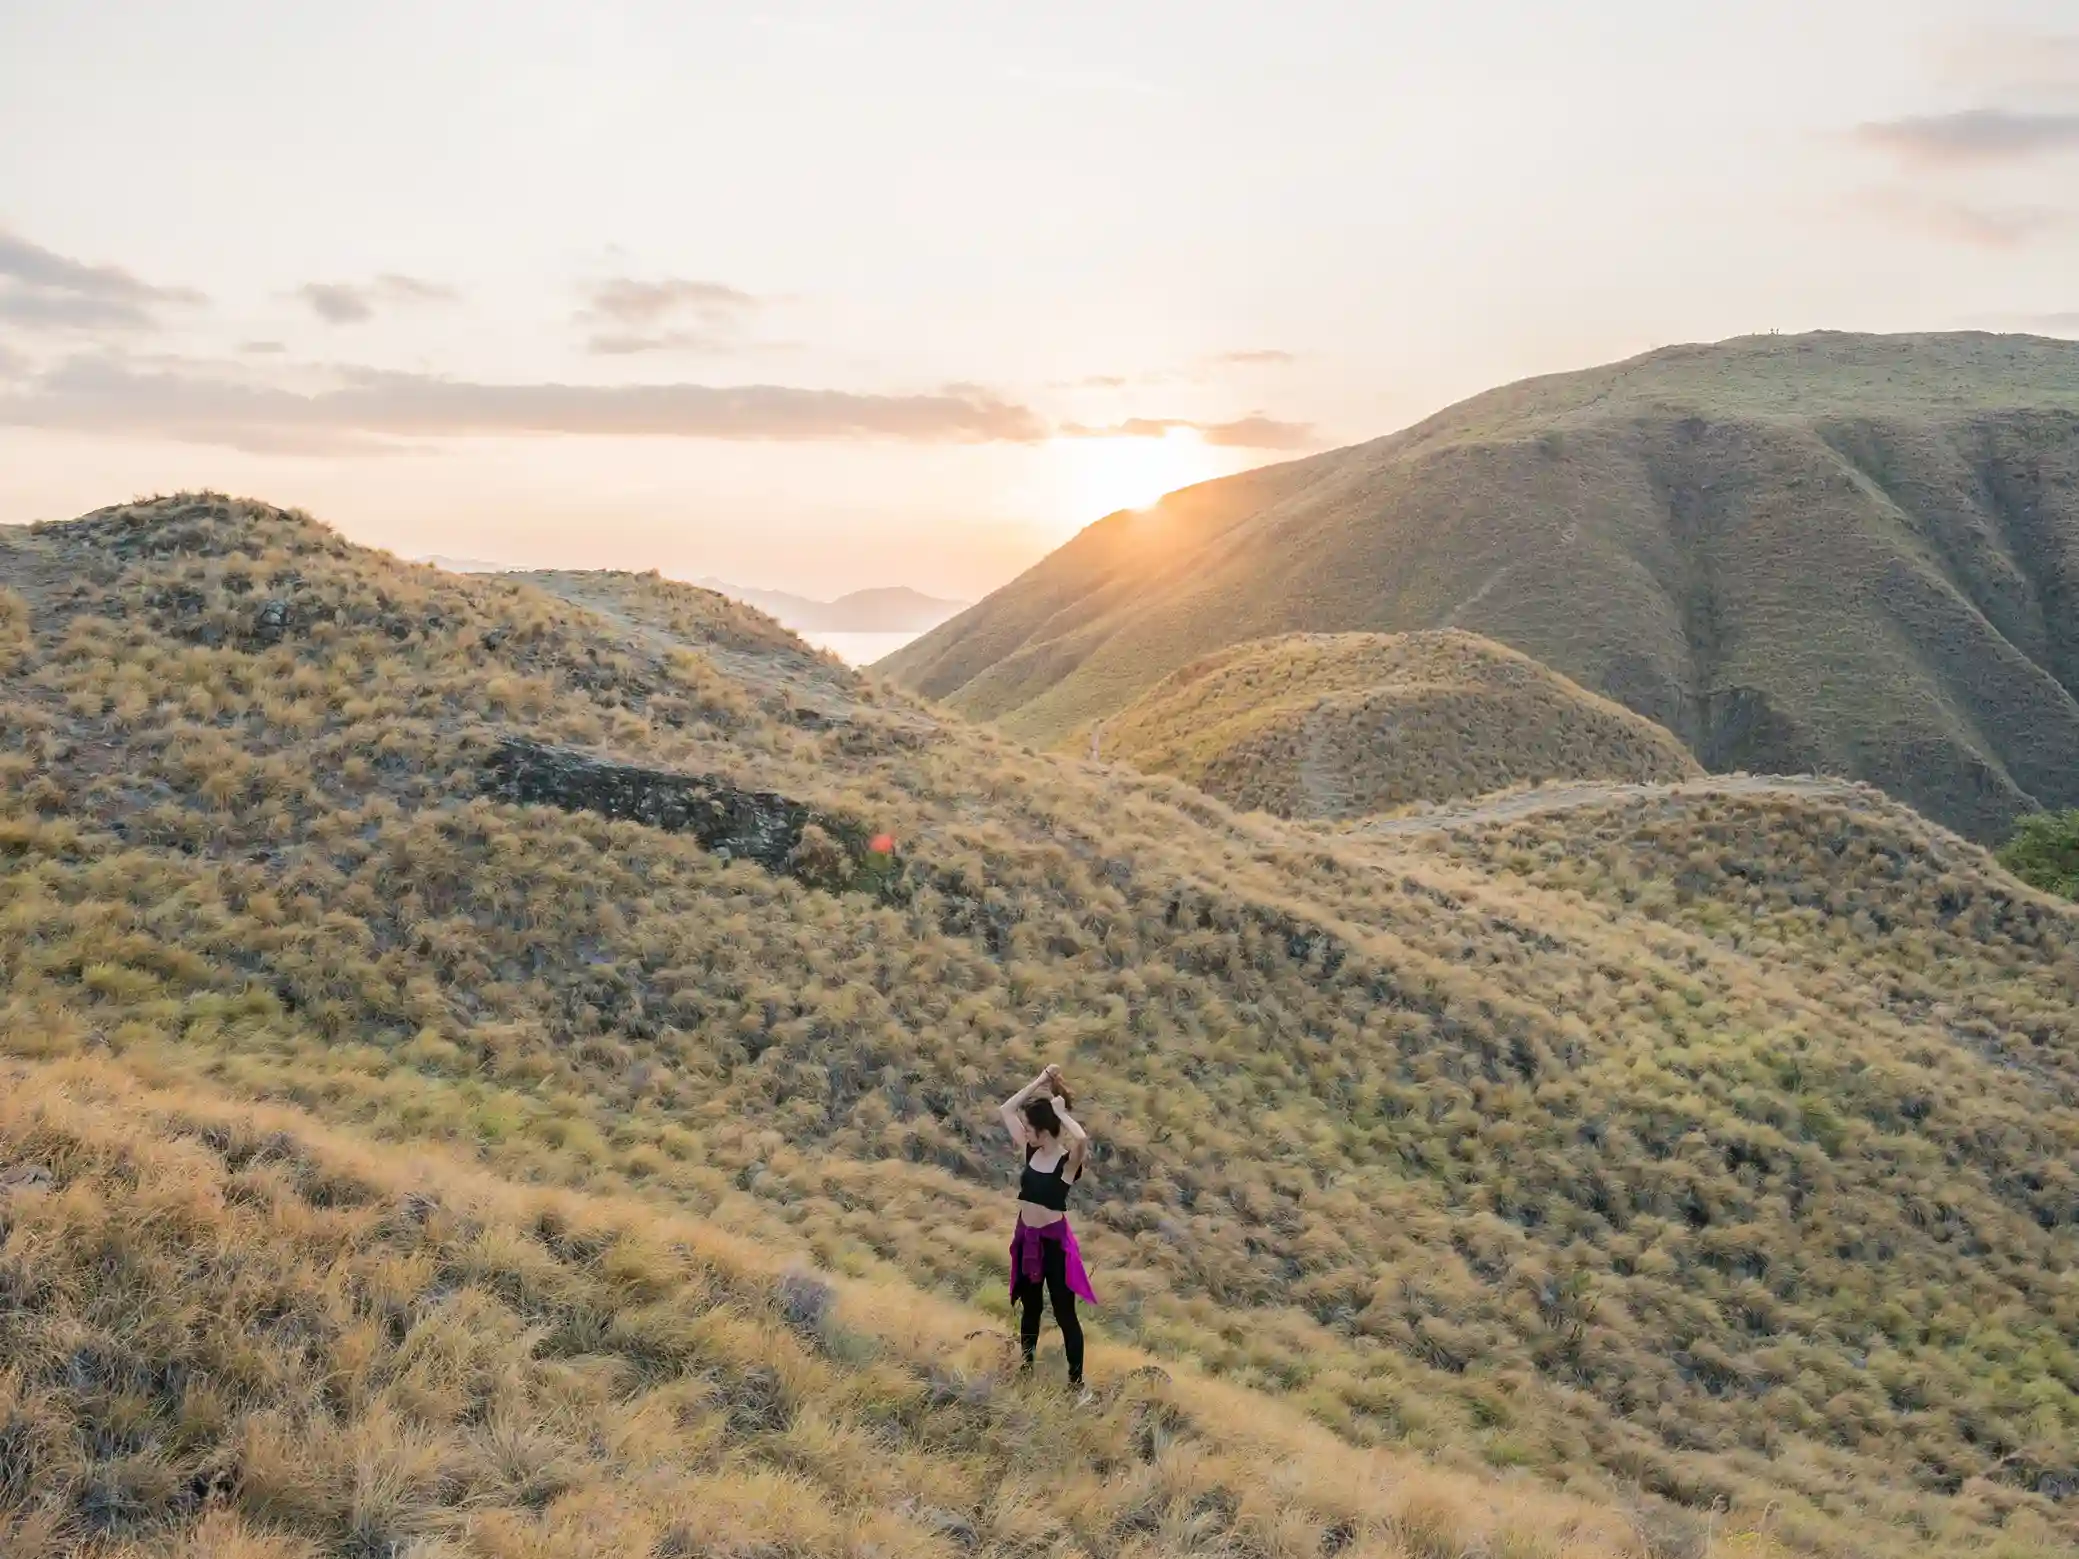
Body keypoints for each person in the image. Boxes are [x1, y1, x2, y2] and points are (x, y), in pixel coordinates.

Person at [999, 1063, 1097, 1394]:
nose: (1024, 1132)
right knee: (1031, 1308)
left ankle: (1076, 1384)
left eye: (1029, 1128)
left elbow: (1081, 1138)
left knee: (1065, 1314)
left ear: (1044, 1131)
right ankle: (1025, 1369)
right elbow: (1007, 1108)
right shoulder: (1031, 1150)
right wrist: (1041, 1080)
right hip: (1027, 1237)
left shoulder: (1067, 1164)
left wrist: (1061, 1113)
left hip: (1054, 1245)